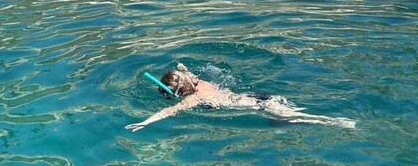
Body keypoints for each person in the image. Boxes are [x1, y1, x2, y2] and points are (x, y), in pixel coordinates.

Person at [125, 63, 356, 132]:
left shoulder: (192, 100)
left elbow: (169, 111)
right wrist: (181, 67)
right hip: (258, 97)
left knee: (297, 118)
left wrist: (146, 121)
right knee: (285, 120)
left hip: (260, 105)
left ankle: (338, 123)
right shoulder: (196, 82)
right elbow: (184, 71)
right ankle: (335, 122)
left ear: (180, 92)